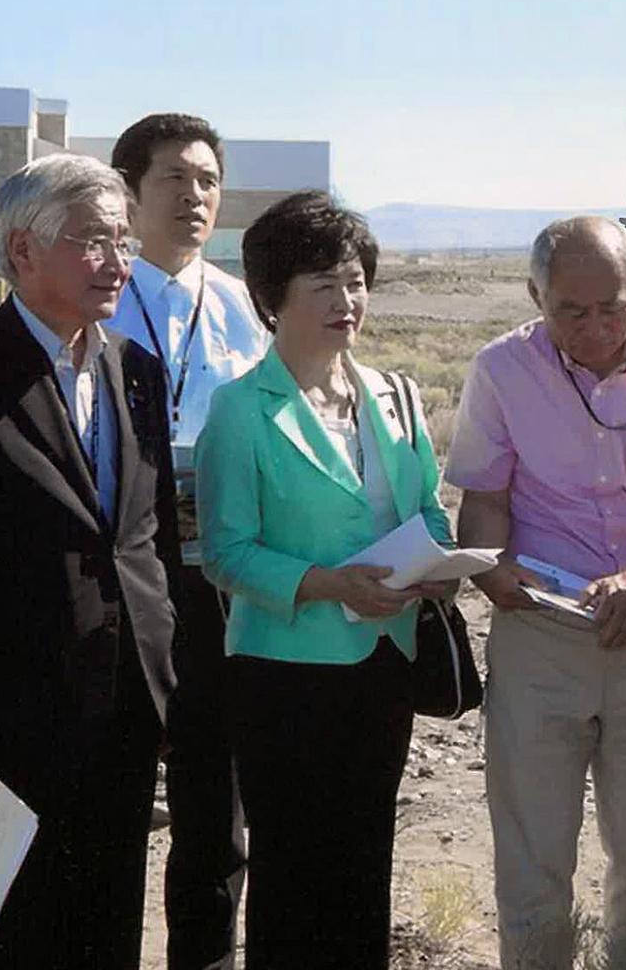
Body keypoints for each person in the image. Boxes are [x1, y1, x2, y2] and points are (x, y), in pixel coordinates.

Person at [447, 216, 626, 968]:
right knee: (533, 859)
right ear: (536, 295)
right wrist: (492, 570)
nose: (597, 328)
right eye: (572, 310)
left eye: (615, 307)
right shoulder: (501, 369)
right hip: (539, 635)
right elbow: (484, 496)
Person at [195, 191, 456, 969]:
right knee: (291, 873)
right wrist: (329, 584)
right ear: (272, 301)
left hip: (385, 665)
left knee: (364, 860)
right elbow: (226, 552)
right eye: (324, 286)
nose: (348, 302)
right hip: (284, 674)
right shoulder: (241, 411)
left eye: (355, 281)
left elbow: (428, 513)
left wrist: (441, 569)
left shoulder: (398, 397)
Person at [0, 155, 181, 968]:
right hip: (6, 713)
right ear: (21, 250)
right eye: (93, 241)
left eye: (124, 241)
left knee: (107, 915)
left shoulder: (135, 372)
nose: (117, 262)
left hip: (122, 702)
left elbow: (146, 542)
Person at [107, 112, 266, 970]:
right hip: (119, 582)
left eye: (208, 180)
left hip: (218, 581)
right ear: (130, 193)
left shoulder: (242, 306)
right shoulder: (94, 301)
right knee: (114, 784)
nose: (195, 196)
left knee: (216, 798)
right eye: (174, 178)